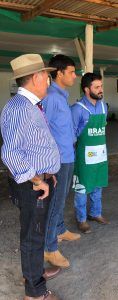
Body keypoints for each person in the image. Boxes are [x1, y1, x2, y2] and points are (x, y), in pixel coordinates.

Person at [1, 54, 61, 300]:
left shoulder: (29, 105)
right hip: (33, 185)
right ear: (36, 77)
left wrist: (49, 173)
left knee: (34, 232)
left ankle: (34, 272)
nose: (48, 80)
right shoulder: (19, 108)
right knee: (32, 235)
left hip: (42, 180)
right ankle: (35, 292)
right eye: (46, 76)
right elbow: (10, 153)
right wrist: (38, 180)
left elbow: (33, 145)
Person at [42, 54, 80, 269]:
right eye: (71, 72)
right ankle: (49, 249)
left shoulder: (61, 96)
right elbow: (43, 131)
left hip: (68, 156)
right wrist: (49, 163)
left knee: (62, 198)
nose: (75, 76)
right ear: (59, 73)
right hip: (58, 160)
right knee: (54, 205)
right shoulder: (51, 98)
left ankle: (60, 230)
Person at [71, 72, 109, 234]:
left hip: (100, 155)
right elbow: (71, 136)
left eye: (101, 86)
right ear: (87, 89)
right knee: (81, 188)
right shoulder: (77, 109)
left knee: (97, 185)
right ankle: (81, 219)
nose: (101, 90)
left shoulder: (103, 106)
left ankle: (95, 213)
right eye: (97, 87)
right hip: (83, 157)